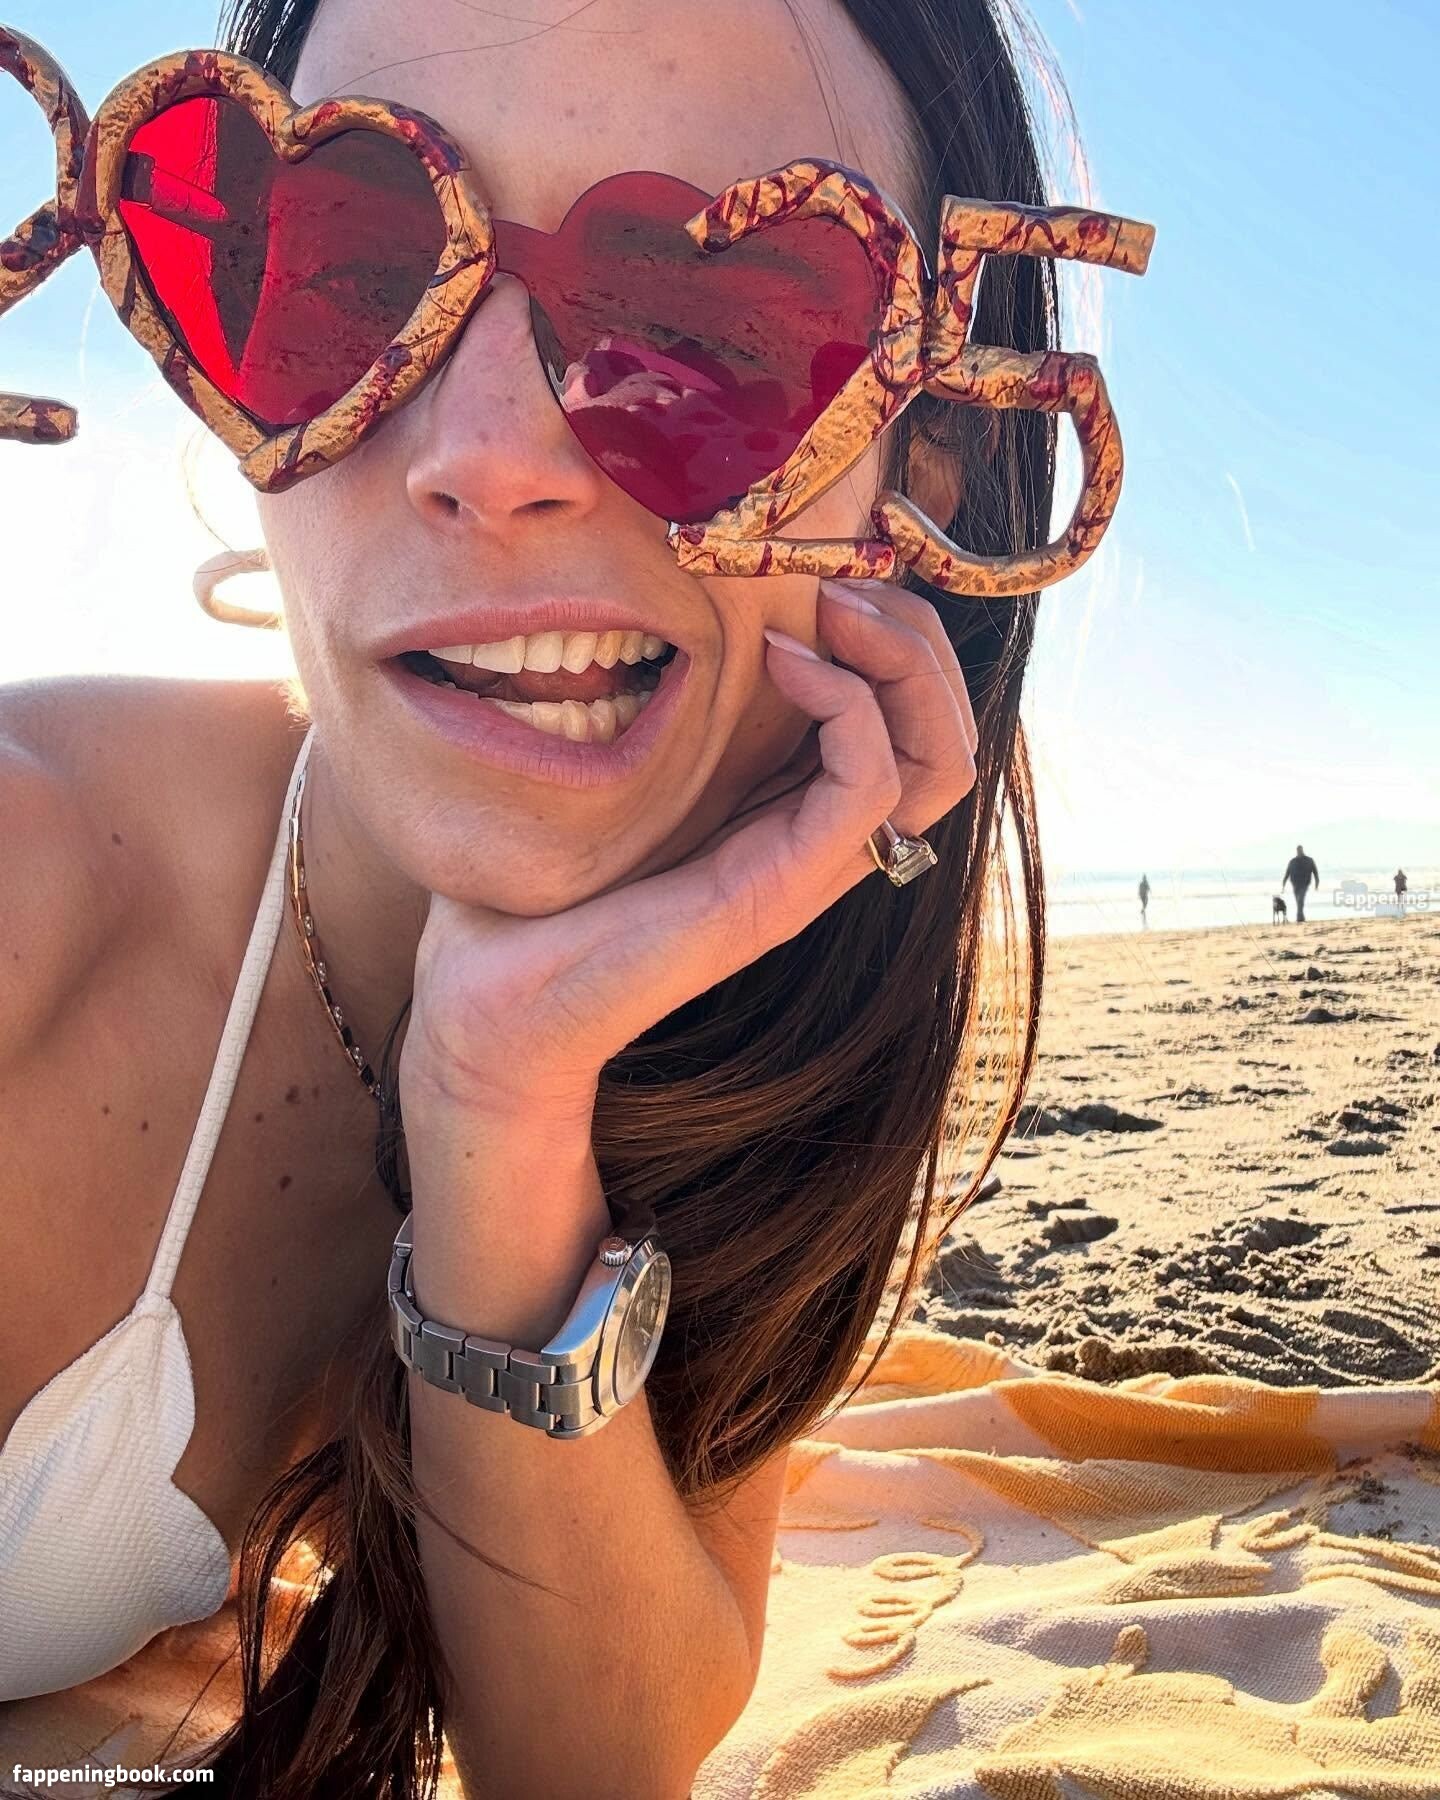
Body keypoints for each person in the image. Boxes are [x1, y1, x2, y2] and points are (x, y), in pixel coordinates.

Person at [0, 0, 1149, 1792]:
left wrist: (501, 1107)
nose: (493, 453)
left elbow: (597, 1755)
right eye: (344, 277)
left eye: (713, 326)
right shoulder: (28, 887)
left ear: (924, 460)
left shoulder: (755, 991)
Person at [1282, 843, 1319, 923]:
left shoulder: (1309, 860)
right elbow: (1287, 873)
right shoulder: (1292, 861)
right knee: (1298, 901)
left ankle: (1299, 917)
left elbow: (1315, 872)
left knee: (1300, 899)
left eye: (1300, 850)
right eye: (1298, 850)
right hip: (1295, 884)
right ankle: (1301, 917)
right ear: (1296, 851)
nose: (1299, 852)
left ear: (1302, 850)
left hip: (1305, 883)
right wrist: (1283, 884)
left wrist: (1317, 883)